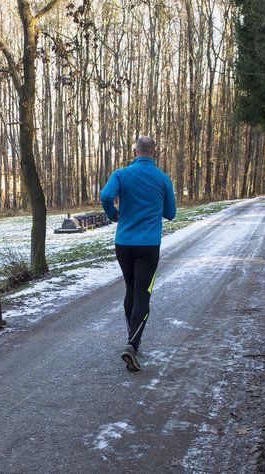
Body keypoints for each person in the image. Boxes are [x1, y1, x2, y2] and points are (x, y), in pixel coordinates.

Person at [100, 136, 176, 372]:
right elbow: (171, 213)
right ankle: (132, 344)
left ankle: (132, 340)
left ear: (134, 151)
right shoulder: (162, 178)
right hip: (148, 245)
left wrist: (113, 214)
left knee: (131, 289)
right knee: (143, 292)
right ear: (155, 153)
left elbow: (105, 196)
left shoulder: (121, 174)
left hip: (123, 243)